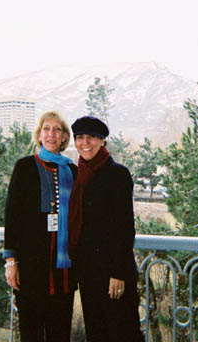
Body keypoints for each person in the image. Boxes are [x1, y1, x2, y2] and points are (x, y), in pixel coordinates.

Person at [68, 115, 144, 342]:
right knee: (97, 333)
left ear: (103, 142)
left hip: (113, 274)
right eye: (80, 137)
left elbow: (124, 227)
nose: (85, 142)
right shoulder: (78, 175)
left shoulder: (117, 174)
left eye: (91, 137)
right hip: (89, 273)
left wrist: (118, 273)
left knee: (123, 332)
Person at [3, 111, 77, 342]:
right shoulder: (25, 167)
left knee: (59, 333)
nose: (51, 134)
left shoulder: (73, 171)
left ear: (64, 137)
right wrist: (11, 261)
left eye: (57, 130)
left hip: (63, 270)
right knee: (31, 331)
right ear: (39, 134)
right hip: (32, 268)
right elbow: (12, 216)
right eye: (46, 129)